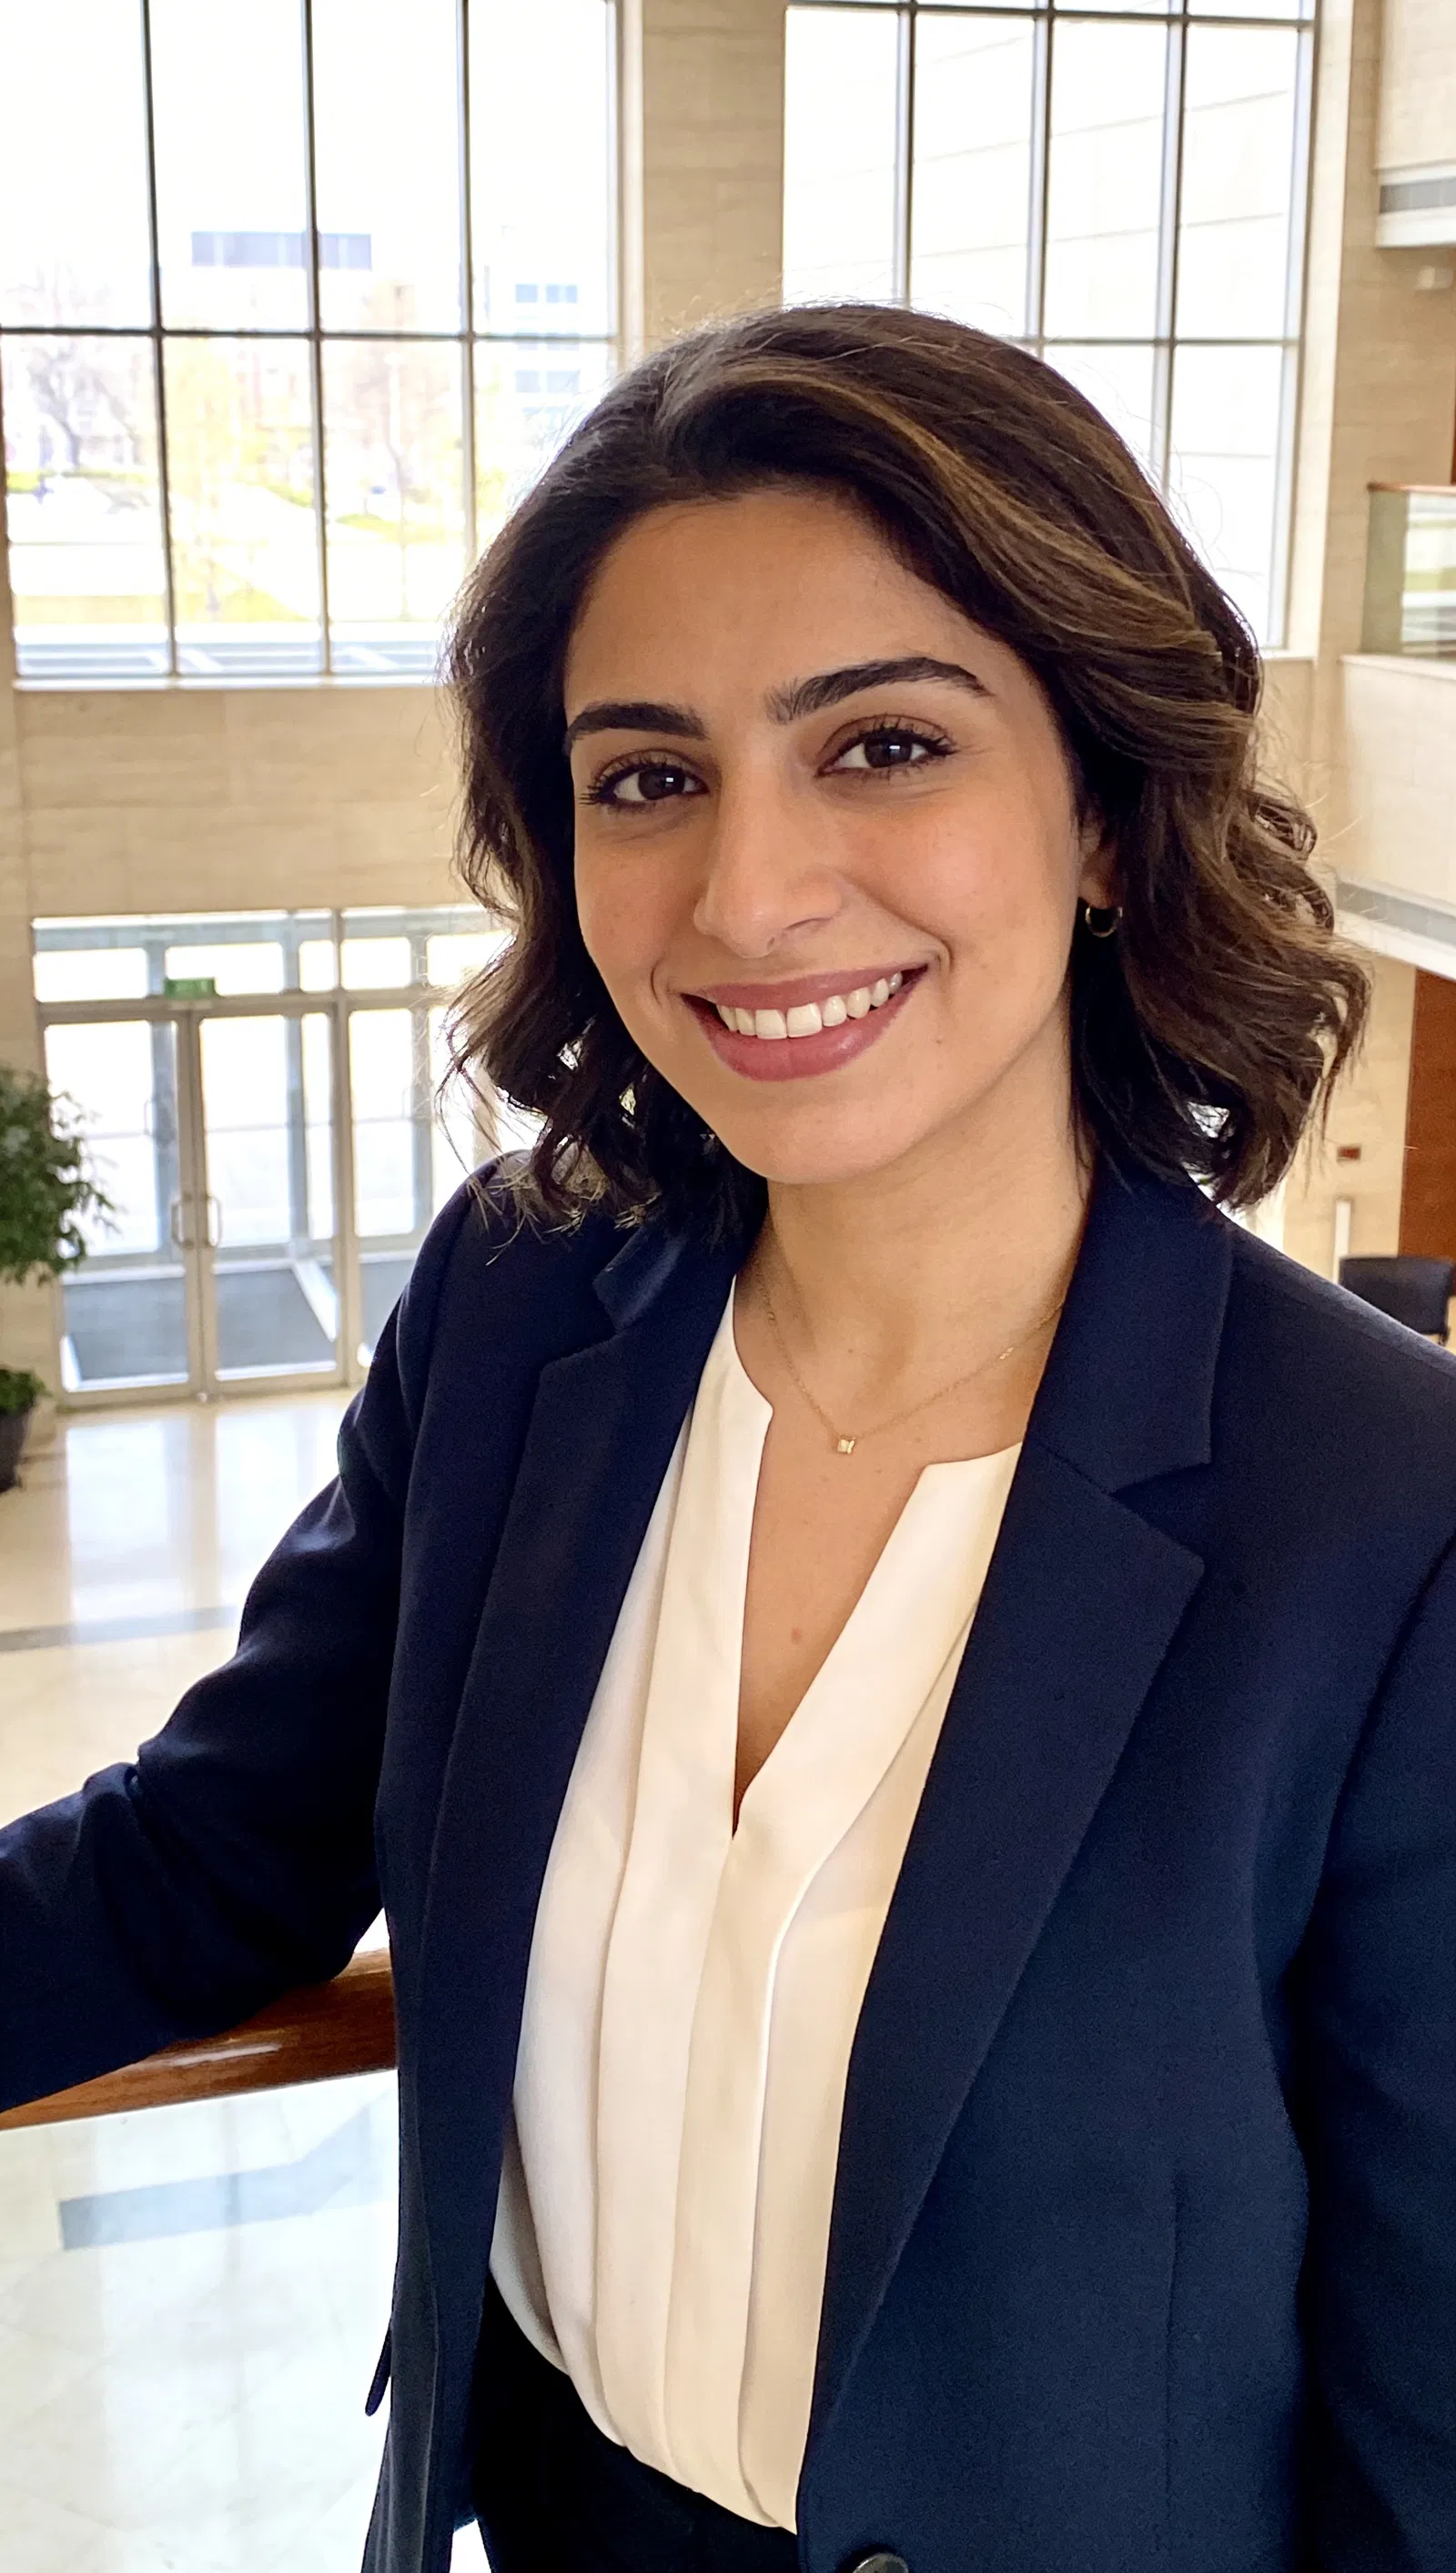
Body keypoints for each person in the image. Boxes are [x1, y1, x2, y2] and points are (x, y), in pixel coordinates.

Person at [2, 306, 1453, 2573]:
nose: (748, 895)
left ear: (1096, 809)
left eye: (879, 745)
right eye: (646, 776)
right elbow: (216, 1856)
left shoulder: (1390, 1525)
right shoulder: (519, 1302)